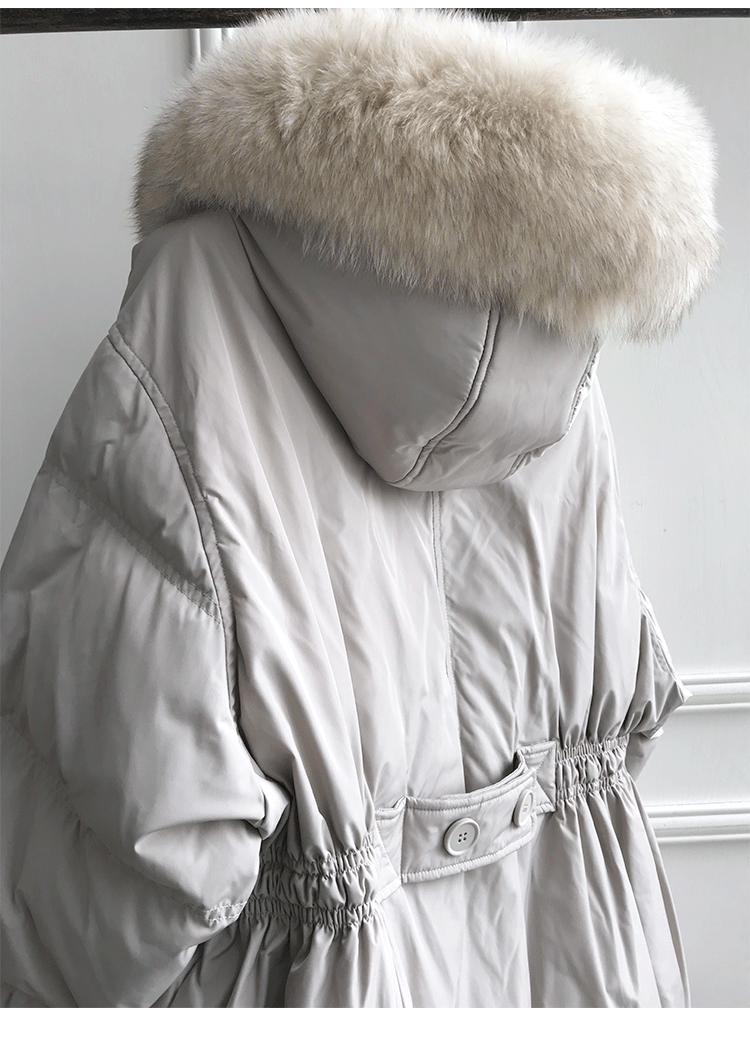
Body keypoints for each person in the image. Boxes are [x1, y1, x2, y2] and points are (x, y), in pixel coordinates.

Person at [1, 9, 718, 1007]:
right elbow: (621, 692)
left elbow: (124, 834)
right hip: (576, 942)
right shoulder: (560, 298)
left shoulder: (198, 293)